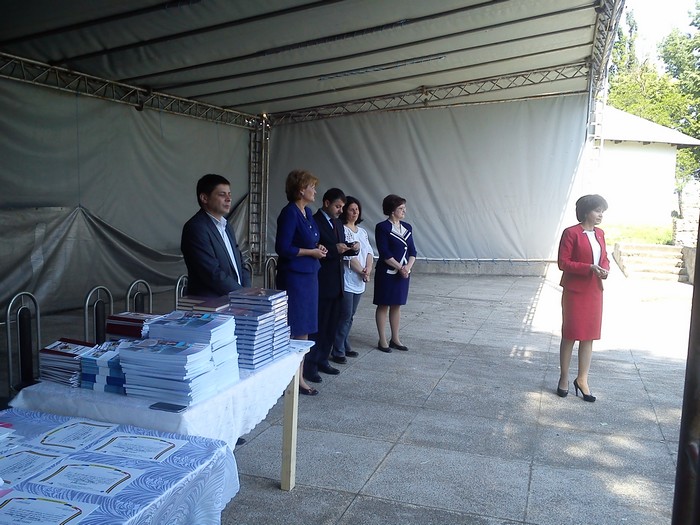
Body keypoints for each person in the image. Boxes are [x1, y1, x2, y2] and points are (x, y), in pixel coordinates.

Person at [275, 169, 328, 396]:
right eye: (311, 187)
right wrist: (310, 252)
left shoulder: (307, 212)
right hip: (295, 278)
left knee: (305, 327)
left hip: (309, 275)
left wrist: (318, 248)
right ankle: (289, 378)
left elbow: (311, 240)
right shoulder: (289, 213)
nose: (315, 191)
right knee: (294, 326)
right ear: (300, 190)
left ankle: (299, 376)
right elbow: (283, 248)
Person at [556, 194, 610, 402]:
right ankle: (564, 377)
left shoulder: (601, 234)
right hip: (575, 291)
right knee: (570, 334)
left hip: (594, 290)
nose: (601, 215)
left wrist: (604, 269)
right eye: (597, 210)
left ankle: (582, 379)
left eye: (602, 211)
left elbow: (604, 258)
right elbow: (563, 262)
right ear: (586, 212)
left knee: (589, 336)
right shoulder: (571, 233)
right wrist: (589, 267)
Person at [306, 188, 358, 383]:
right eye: (338, 206)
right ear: (326, 203)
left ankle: (323, 359)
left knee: (331, 324)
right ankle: (310, 364)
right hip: (322, 280)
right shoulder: (314, 220)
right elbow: (315, 247)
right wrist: (334, 249)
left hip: (337, 281)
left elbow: (340, 246)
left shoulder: (337, 223)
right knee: (318, 325)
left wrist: (352, 249)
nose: (340, 210)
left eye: (342, 207)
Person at [181, 173, 251, 297]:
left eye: (229, 194)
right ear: (204, 198)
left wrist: (247, 291)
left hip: (235, 298)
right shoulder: (196, 228)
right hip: (210, 303)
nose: (228, 199)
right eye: (222, 194)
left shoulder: (227, 226)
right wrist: (242, 293)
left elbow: (240, 263)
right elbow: (211, 273)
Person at [332, 196, 375, 364]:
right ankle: (338, 349)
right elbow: (348, 257)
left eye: (357, 209)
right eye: (351, 209)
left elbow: (369, 252)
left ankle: (344, 343)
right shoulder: (342, 230)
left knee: (351, 315)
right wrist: (362, 271)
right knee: (345, 315)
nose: (355, 212)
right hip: (347, 279)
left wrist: (368, 269)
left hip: (360, 279)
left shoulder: (362, 231)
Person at [373, 194, 417, 352]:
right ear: (392, 210)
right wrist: (400, 267)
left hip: (403, 273)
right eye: (401, 208)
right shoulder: (382, 227)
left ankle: (395, 338)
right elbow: (384, 253)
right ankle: (382, 340)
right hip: (387, 273)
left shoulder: (407, 227)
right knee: (383, 304)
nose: (404, 211)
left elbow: (412, 251)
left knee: (397, 305)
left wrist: (407, 268)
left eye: (404, 208)